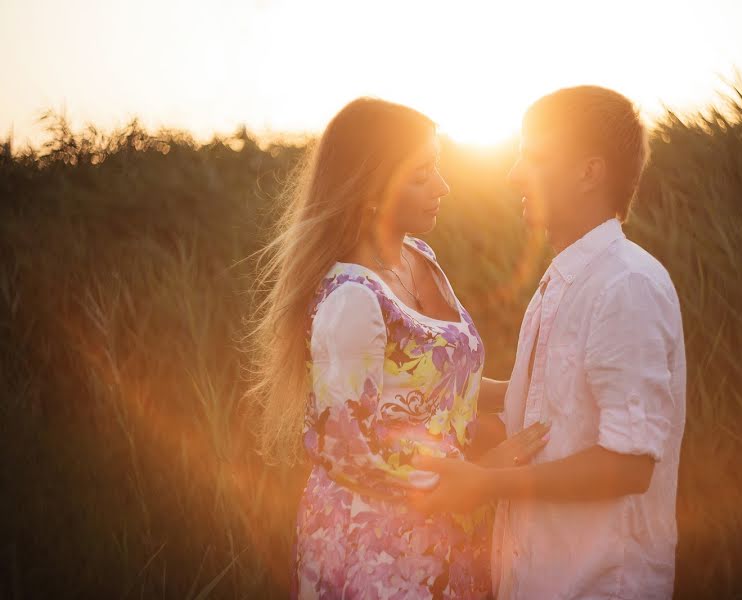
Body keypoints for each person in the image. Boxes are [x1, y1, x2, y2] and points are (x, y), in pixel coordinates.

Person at [244, 96, 549, 599]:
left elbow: (446, 385)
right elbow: (348, 447)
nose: (443, 186)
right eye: (422, 174)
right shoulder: (352, 300)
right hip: (377, 549)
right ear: (372, 186)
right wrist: (482, 474)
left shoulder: (417, 257)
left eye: (439, 169)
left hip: (448, 527)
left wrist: (538, 392)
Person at [409, 86, 688, 600]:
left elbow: (629, 465)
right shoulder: (562, 283)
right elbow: (540, 407)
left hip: (598, 584)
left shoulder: (624, 286)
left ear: (589, 171)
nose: (515, 173)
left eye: (534, 157)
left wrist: (485, 485)